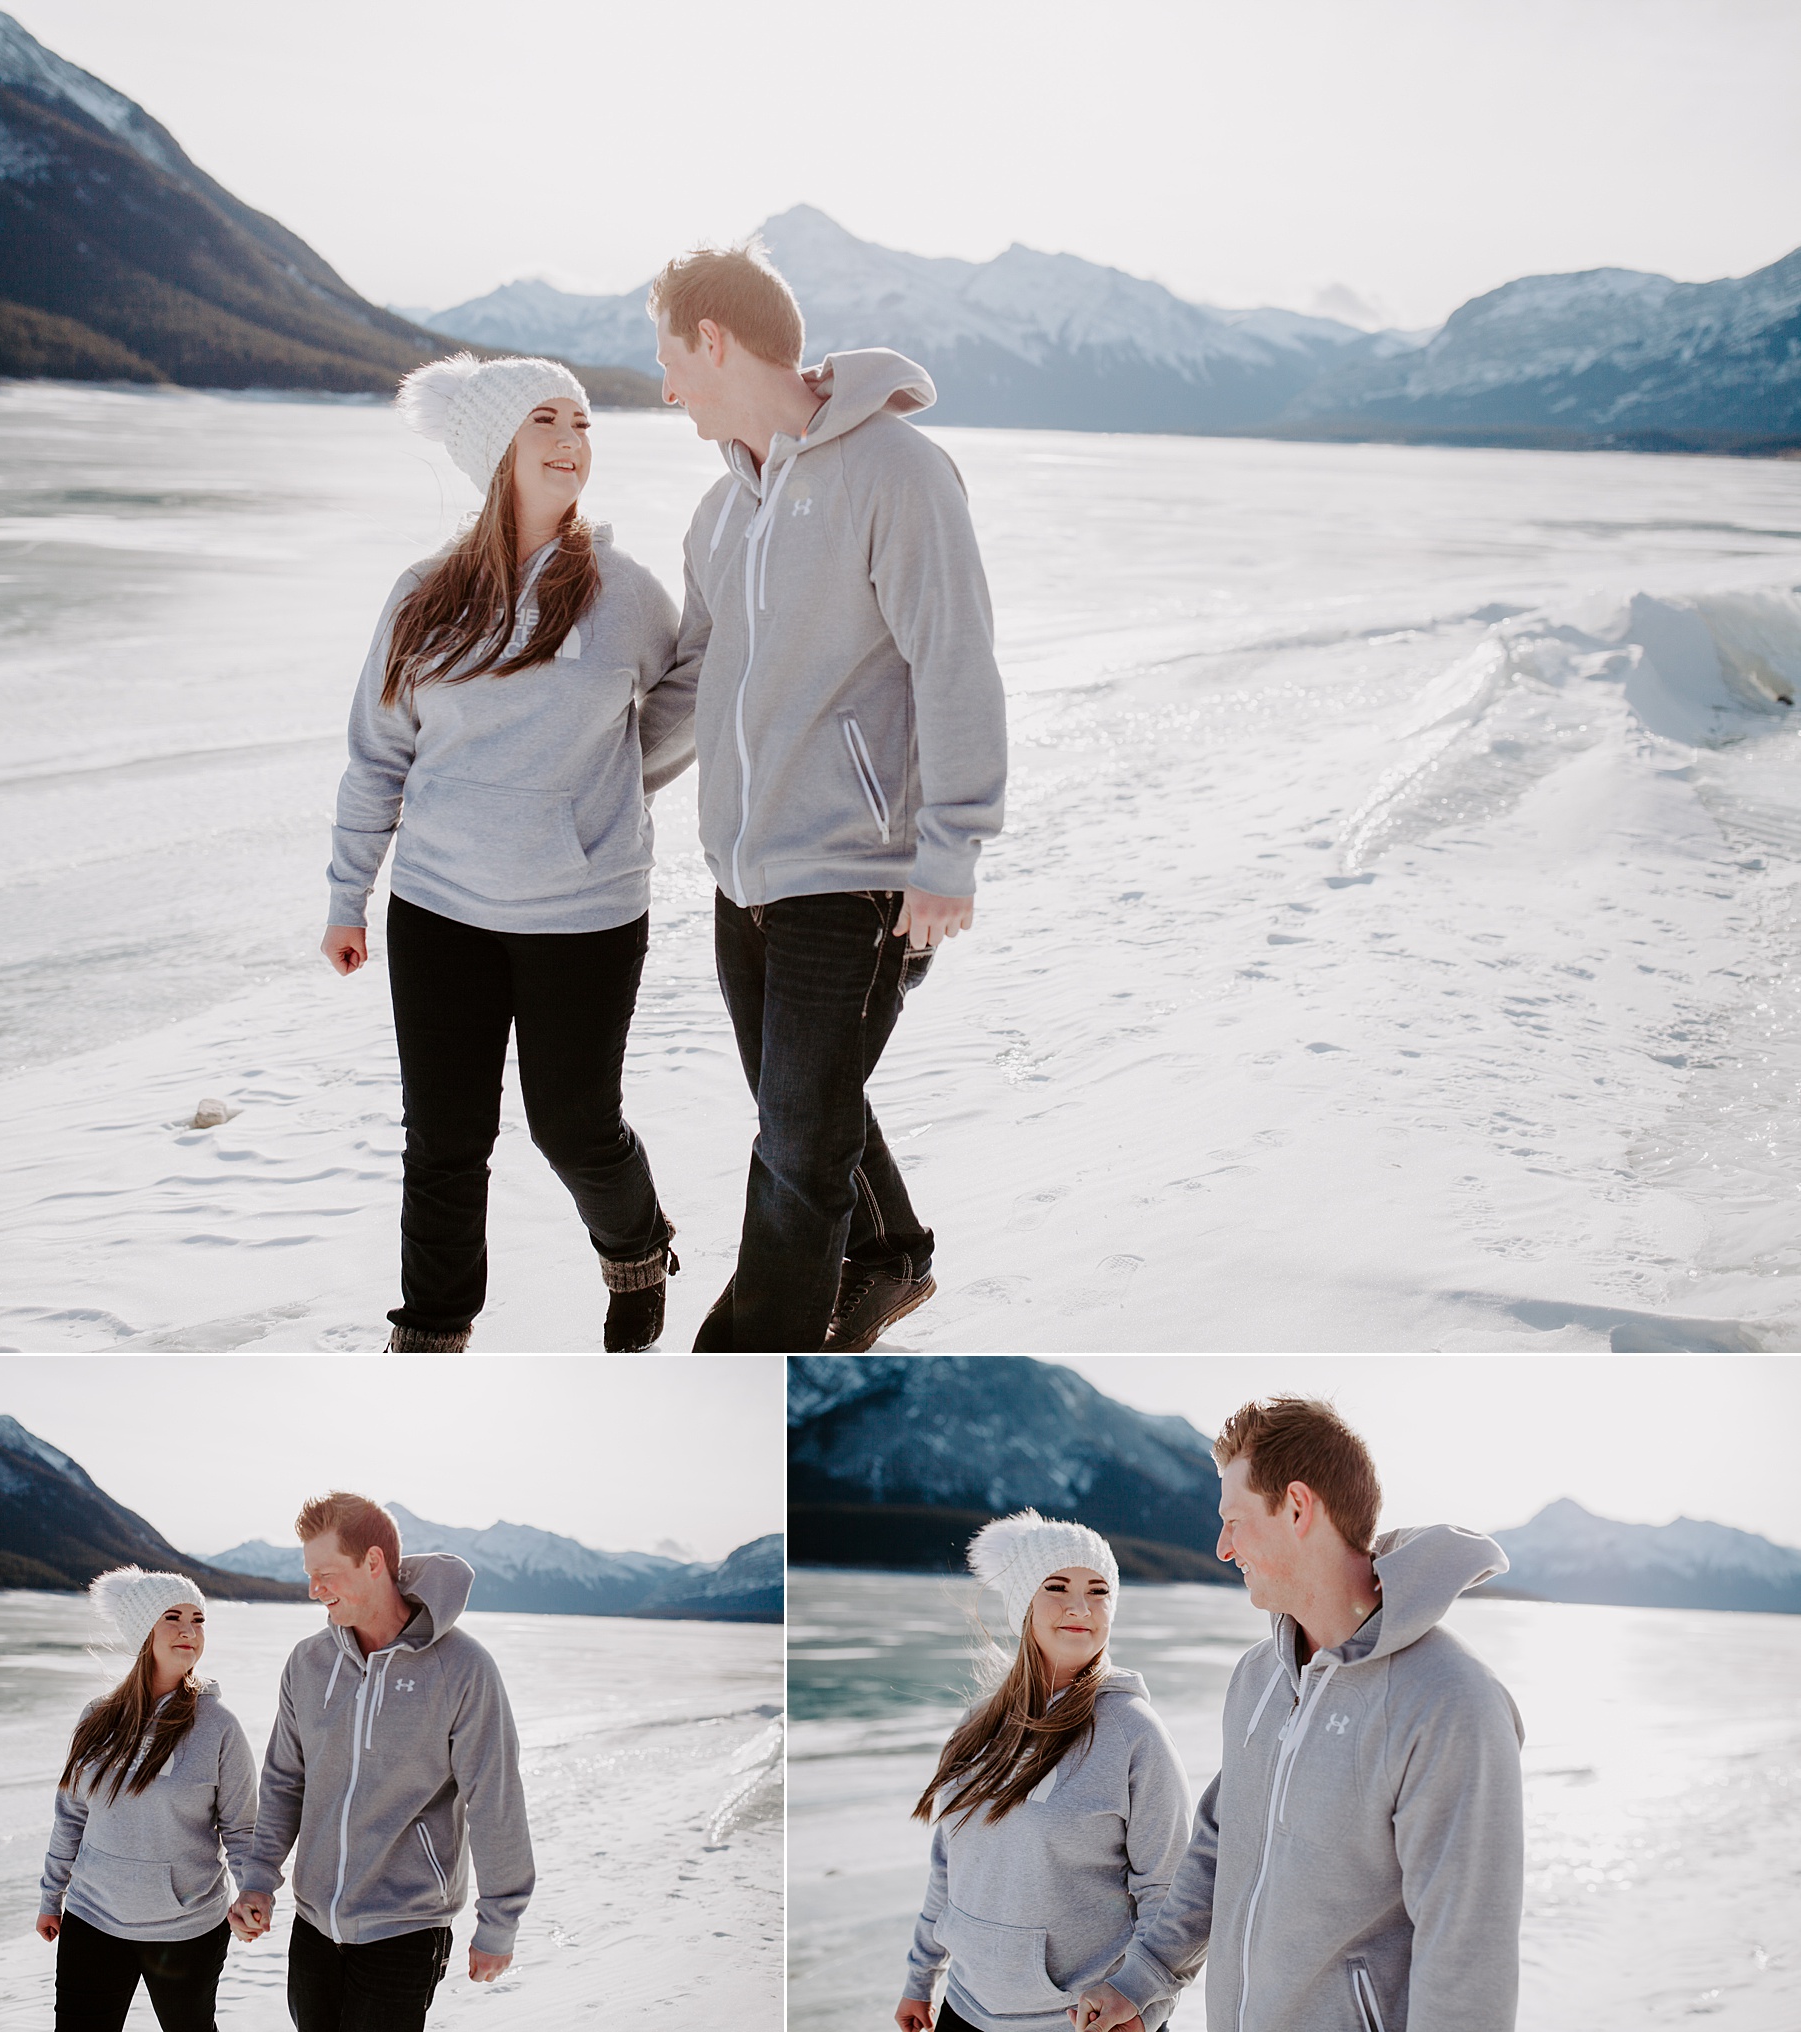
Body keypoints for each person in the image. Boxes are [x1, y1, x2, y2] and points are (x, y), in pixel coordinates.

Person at [649, 241, 1008, 1352]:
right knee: (801, 1108)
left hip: (858, 874)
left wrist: (951, 849)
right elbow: (696, 683)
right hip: (740, 874)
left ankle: (748, 1355)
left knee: (798, 1146)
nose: (664, 389)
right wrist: (575, 771)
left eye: (669, 358)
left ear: (714, 339)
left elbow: (954, 656)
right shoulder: (720, 515)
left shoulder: (896, 470)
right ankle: (890, 1254)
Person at [322, 353, 692, 1353]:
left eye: (582, 421)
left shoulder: (626, 592)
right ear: (495, 450)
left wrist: (608, 784)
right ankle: (433, 1333)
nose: (574, 441)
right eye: (547, 421)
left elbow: (686, 687)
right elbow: (377, 753)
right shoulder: (422, 594)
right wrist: (347, 895)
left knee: (574, 1127)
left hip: (583, 913)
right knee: (444, 1142)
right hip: (439, 908)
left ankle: (636, 1250)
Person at [1082, 1399, 1525, 2032]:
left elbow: (1467, 1960)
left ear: (1296, 1508)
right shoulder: (1257, 1678)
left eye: (1234, 1520)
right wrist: (1144, 1976)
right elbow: (1217, 1842)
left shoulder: (1449, 1702)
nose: (1223, 1547)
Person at [228, 1491, 533, 2032]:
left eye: (326, 1573)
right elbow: (283, 1781)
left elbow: (495, 1797)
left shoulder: (463, 1668)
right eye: (309, 1573)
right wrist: (257, 1878)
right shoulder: (308, 1662)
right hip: (314, 1922)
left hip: (406, 1925)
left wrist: (499, 1922)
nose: (313, 1589)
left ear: (373, 1562)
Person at [894, 1511, 1191, 2032]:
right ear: (1023, 1602)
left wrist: (1147, 2005)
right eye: (1058, 1586)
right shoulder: (978, 1725)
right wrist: (921, 1979)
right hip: (964, 2010)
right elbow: (949, 1866)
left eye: (1098, 1591)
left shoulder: (1133, 1734)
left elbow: (1169, 1893)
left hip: (1079, 2020)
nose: (1080, 1608)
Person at [36, 1568, 257, 2032]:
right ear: (143, 1632)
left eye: (198, 1620)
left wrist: (251, 1892)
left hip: (185, 1929)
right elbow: (72, 1816)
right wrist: (50, 1896)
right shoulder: (97, 1718)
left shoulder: (218, 1726)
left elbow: (241, 1828)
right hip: (92, 1917)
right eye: (172, 1618)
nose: (188, 1631)